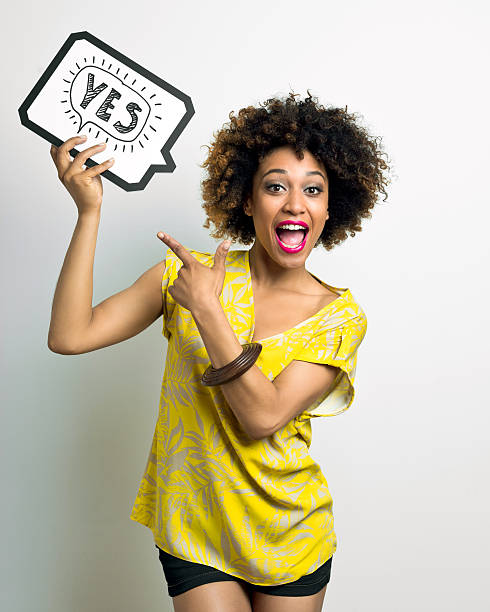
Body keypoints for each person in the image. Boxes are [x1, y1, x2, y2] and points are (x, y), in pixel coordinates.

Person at [48, 91, 391, 612]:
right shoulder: (183, 276)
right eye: (275, 187)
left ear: (329, 208)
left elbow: (263, 416)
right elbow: (70, 335)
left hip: (287, 530)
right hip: (193, 523)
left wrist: (208, 311)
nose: (294, 204)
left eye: (313, 190)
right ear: (248, 200)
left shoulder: (338, 317)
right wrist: (89, 211)